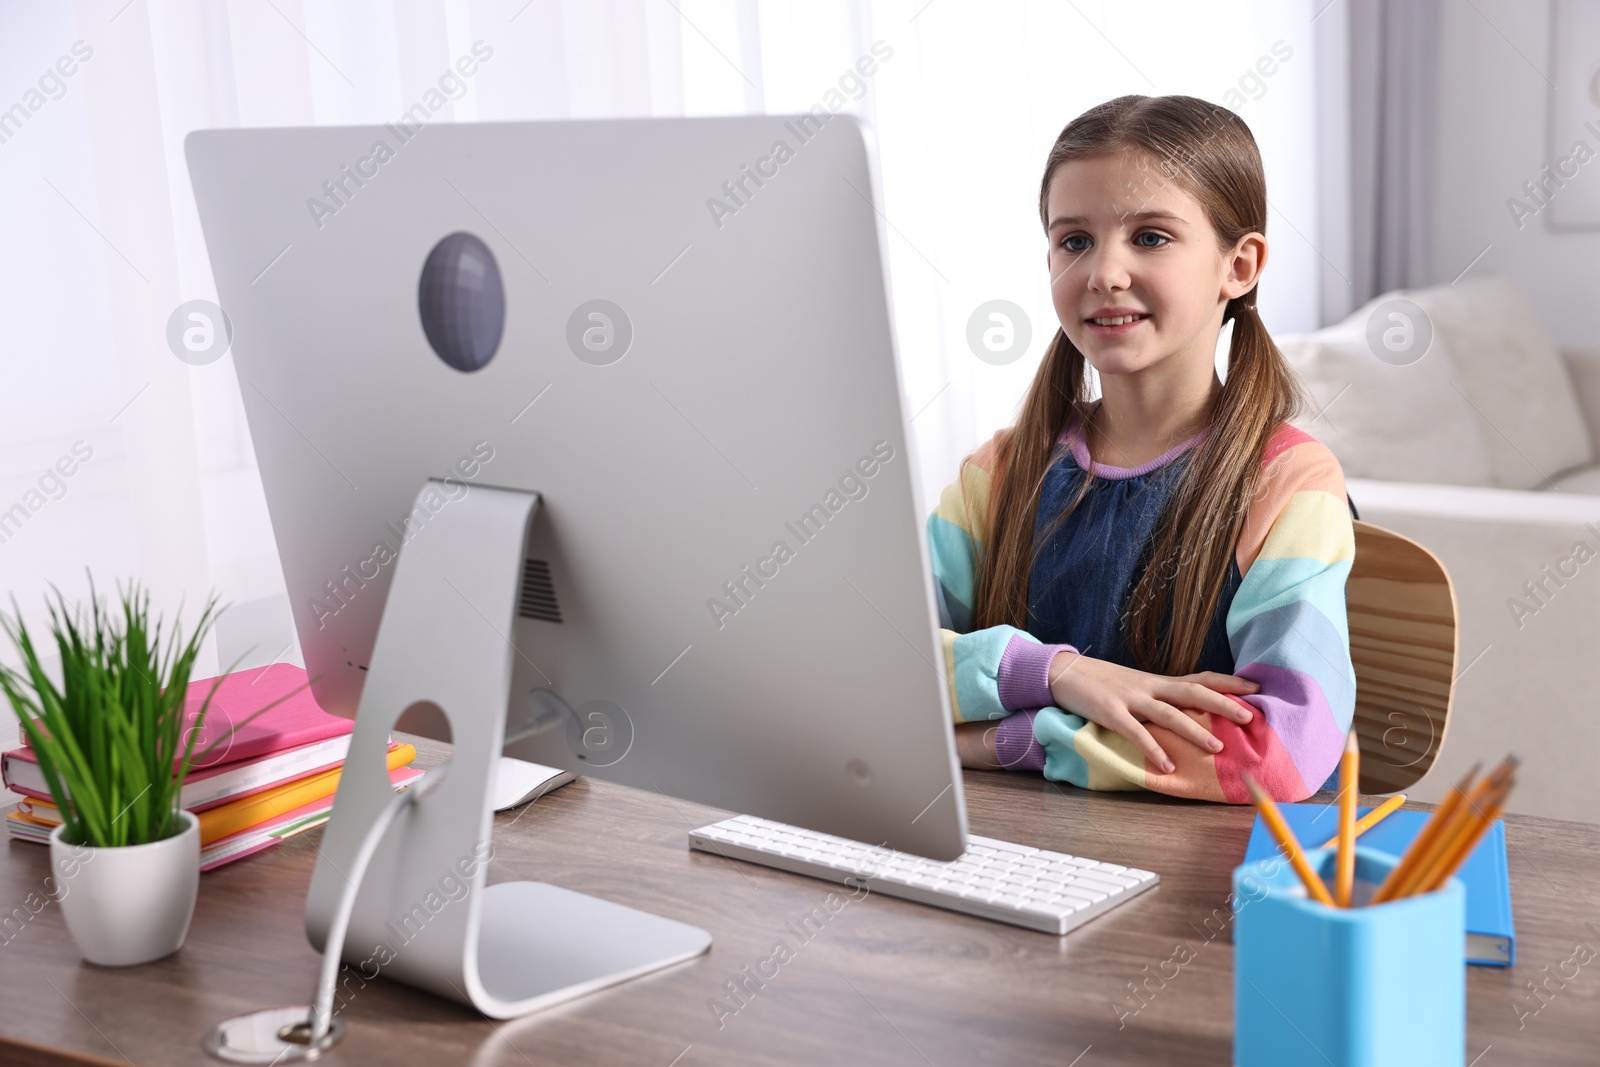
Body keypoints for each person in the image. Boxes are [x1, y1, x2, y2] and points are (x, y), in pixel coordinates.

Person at [934, 94, 1354, 803]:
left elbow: (1277, 752)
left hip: (1197, 887)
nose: (1104, 272)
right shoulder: (996, 473)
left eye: (1151, 237)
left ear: (1240, 266)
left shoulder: (1290, 482)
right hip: (1013, 861)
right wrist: (1058, 674)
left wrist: (1017, 737)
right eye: (1074, 241)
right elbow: (873, 670)